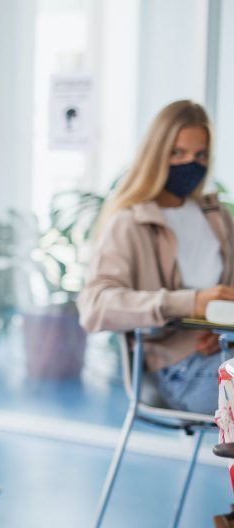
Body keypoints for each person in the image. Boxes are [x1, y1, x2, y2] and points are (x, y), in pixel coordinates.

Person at [79, 99, 234, 415]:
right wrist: (191, 303)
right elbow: (95, 306)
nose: (191, 163)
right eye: (178, 153)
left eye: (200, 155)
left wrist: (221, 333)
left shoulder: (216, 217)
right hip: (177, 369)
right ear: (157, 154)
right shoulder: (129, 222)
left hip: (225, 353)